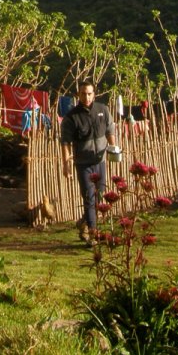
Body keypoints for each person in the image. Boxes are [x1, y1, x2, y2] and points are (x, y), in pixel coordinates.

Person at [60, 78, 118, 240]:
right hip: (83, 164)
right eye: (83, 94)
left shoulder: (103, 109)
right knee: (89, 197)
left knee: (99, 198)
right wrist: (66, 165)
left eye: (90, 94)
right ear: (78, 94)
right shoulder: (72, 117)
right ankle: (93, 234)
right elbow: (65, 142)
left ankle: (85, 222)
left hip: (100, 161)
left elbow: (110, 129)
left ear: (94, 94)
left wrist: (113, 146)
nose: (87, 97)